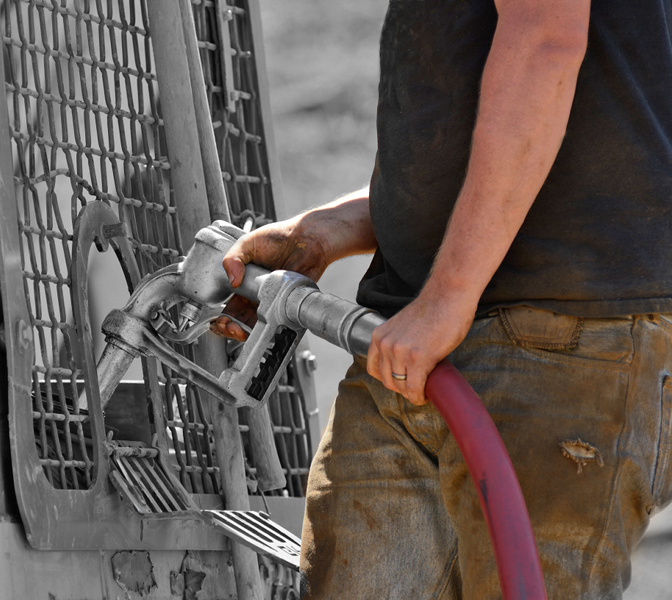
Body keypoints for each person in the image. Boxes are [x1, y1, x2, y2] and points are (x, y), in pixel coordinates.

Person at [211, 0, 672, 597]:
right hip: (409, 337)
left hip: (559, 338)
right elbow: (465, 127)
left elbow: (545, 42)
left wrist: (450, 293)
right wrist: (329, 231)